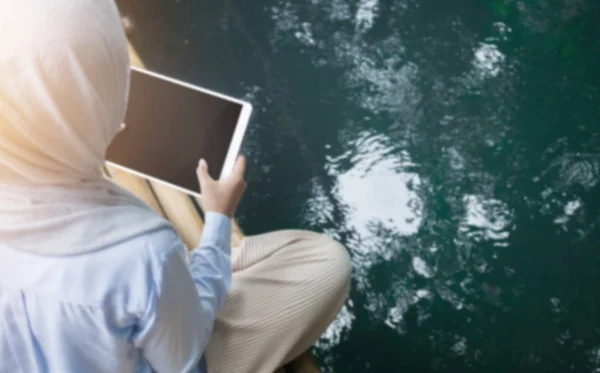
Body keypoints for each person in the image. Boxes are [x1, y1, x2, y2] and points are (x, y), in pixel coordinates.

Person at [0, 1, 351, 372]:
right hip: (166, 352)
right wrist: (217, 219)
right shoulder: (141, 252)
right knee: (324, 261)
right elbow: (181, 355)